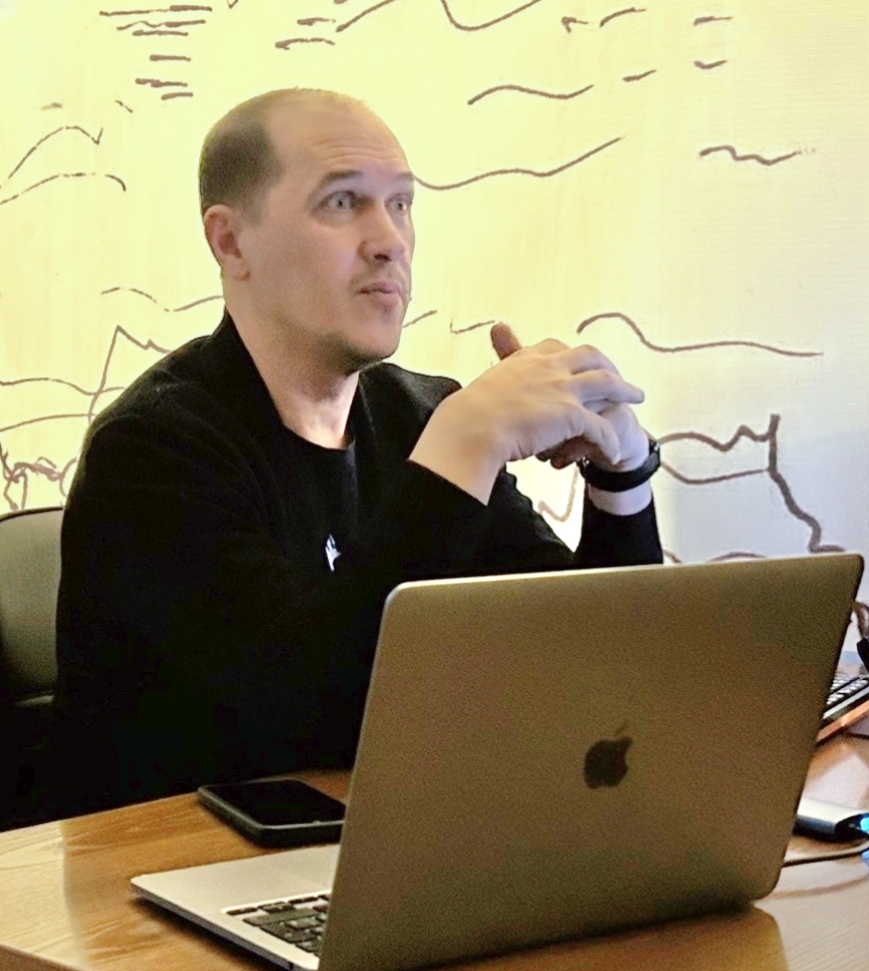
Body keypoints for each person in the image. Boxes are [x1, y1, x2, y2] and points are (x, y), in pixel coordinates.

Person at [51, 89, 663, 816]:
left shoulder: (419, 416)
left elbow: (590, 667)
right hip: (183, 867)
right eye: (343, 203)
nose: (389, 241)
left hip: (387, 842)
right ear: (231, 242)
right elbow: (307, 715)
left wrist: (621, 476)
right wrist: (465, 446)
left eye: (401, 204)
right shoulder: (152, 454)